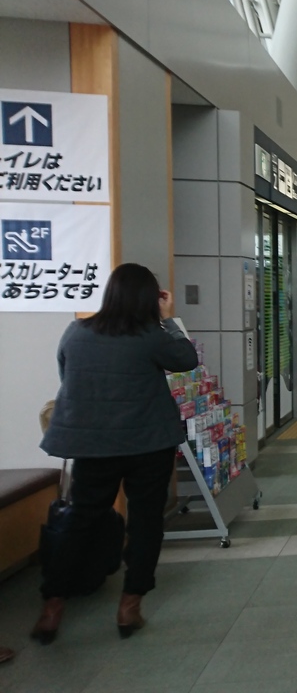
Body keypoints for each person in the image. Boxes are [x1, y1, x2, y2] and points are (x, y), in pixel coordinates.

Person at [34, 263, 199, 643]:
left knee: (80, 520)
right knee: (145, 522)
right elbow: (186, 360)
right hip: (148, 444)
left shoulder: (77, 332)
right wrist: (168, 319)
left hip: (93, 445)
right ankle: (129, 606)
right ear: (148, 298)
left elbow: (68, 377)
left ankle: (52, 606)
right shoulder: (150, 336)